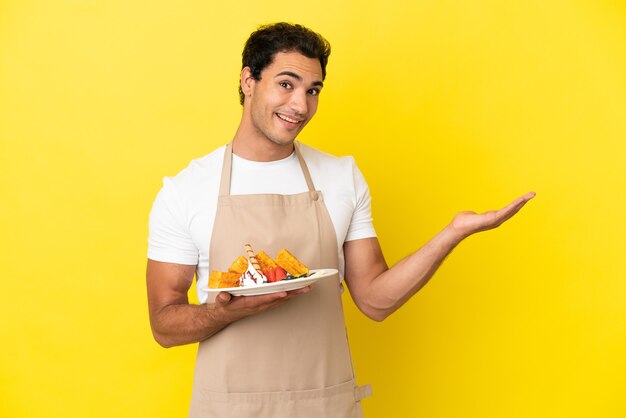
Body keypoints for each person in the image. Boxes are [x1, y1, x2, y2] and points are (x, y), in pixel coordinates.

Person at [146, 22, 535, 418]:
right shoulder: (186, 190)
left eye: (313, 91)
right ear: (248, 80)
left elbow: (375, 301)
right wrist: (223, 311)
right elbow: (163, 324)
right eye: (286, 84)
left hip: (325, 406)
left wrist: (453, 233)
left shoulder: (340, 177)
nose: (300, 105)